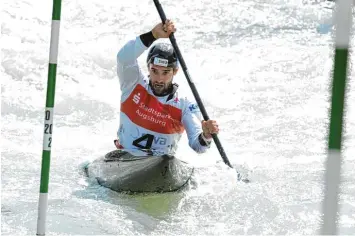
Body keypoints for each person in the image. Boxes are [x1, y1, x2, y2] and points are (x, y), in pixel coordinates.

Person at [114, 19, 219, 157]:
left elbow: (198, 146)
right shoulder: (133, 83)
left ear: (175, 72)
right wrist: (152, 35)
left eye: (165, 72)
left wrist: (206, 135)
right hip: (124, 157)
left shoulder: (185, 105)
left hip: (160, 166)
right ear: (148, 68)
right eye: (154, 71)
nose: (159, 79)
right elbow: (123, 58)